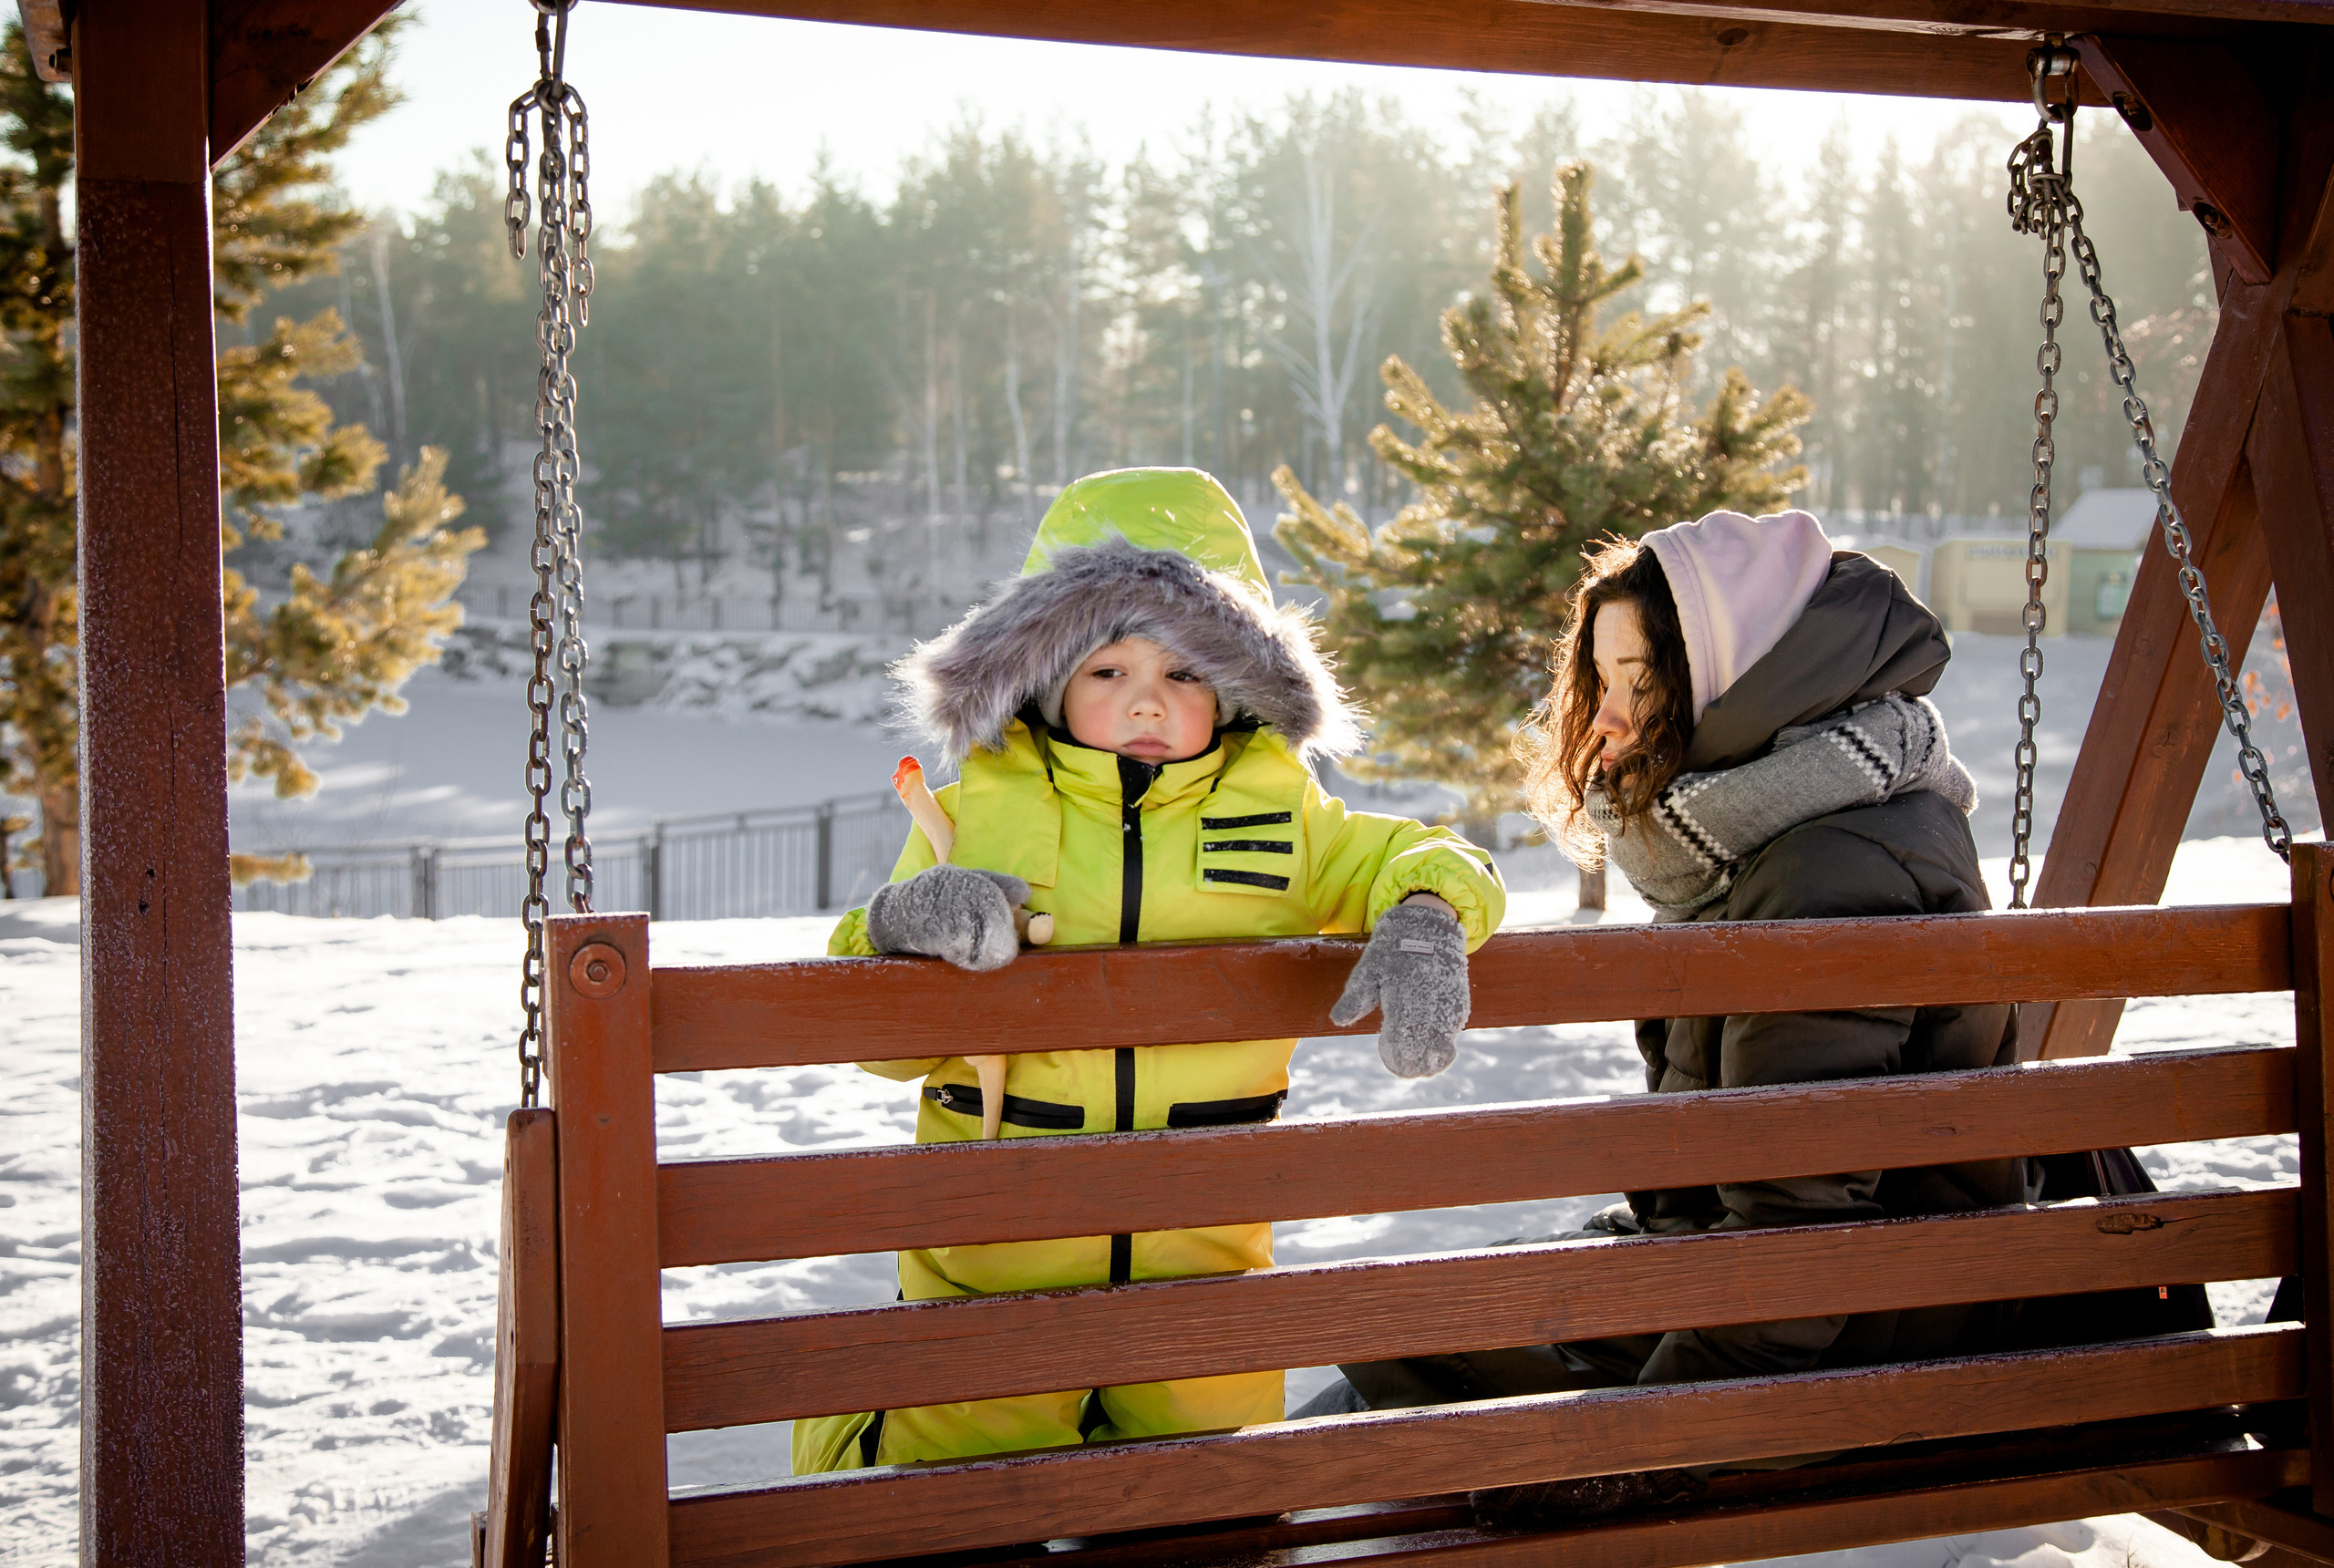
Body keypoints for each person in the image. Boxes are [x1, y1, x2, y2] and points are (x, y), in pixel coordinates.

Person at [793, 466, 1506, 1474]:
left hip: (1203, 1245)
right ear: (1043, 678)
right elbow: (876, 1041)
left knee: (1211, 1485)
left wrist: (1429, 913)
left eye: (1183, 673)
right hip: (1000, 1238)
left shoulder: (1285, 820)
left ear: (1236, 687)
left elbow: (1421, 852)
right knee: (957, 1480)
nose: (1146, 701)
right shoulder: (972, 816)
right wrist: (901, 926)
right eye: (1107, 670)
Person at [1296, 507, 2033, 1426]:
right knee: (1417, 1327)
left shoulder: (1827, 869)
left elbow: (1793, 1252)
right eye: (1602, 679)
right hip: (1815, 1297)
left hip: (1850, 1344)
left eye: (1638, 681)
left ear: (1741, 682)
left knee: (1398, 1354)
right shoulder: (1798, 828)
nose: (1605, 718)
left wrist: (1642, 1448)